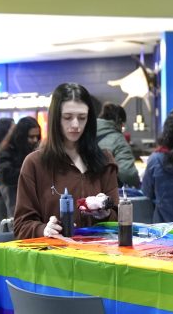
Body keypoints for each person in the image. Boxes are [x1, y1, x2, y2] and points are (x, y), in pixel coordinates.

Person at [13, 83, 119, 239]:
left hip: (99, 257)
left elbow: (118, 220)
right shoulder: (35, 164)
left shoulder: (104, 161)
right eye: (67, 117)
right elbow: (22, 225)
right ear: (56, 118)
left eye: (82, 118)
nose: (75, 124)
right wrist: (43, 229)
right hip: (54, 258)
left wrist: (105, 213)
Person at [0, 116, 41, 218]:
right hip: (14, 206)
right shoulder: (7, 151)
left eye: (37, 137)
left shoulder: (35, 150)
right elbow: (5, 176)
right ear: (21, 136)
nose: (35, 140)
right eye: (31, 137)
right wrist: (30, 170)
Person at [96, 102, 140, 188]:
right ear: (119, 122)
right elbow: (128, 174)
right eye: (123, 126)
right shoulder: (118, 139)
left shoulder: (86, 133)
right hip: (107, 192)